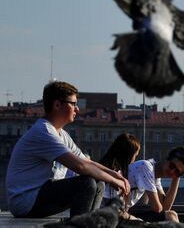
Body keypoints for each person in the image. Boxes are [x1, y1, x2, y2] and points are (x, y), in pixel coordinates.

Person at [5, 81, 130, 218]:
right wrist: (113, 181)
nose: (77, 109)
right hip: (25, 201)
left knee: (98, 182)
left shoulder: (62, 134)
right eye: (73, 104)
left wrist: (114, 174)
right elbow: (81, 167)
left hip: (39, 195)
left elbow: (87, 163)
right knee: (86, 183)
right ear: (57, 105)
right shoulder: (43, 132)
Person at [126, 146, 184, 222]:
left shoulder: (155, 177)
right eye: (172, 166)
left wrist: (176, 178)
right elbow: (157, 208)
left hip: (123, 211)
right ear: (166, 159)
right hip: (116, 212)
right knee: (171, 216)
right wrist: (177, 173)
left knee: (172, 214)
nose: (172, 171)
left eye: (177, 172)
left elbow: (165, 207)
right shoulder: (146, 167)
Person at [99, 133, 141, 210]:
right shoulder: (116, 172)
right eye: (135, 155)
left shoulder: (104, 166)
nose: (134, 159)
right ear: (128, 155)